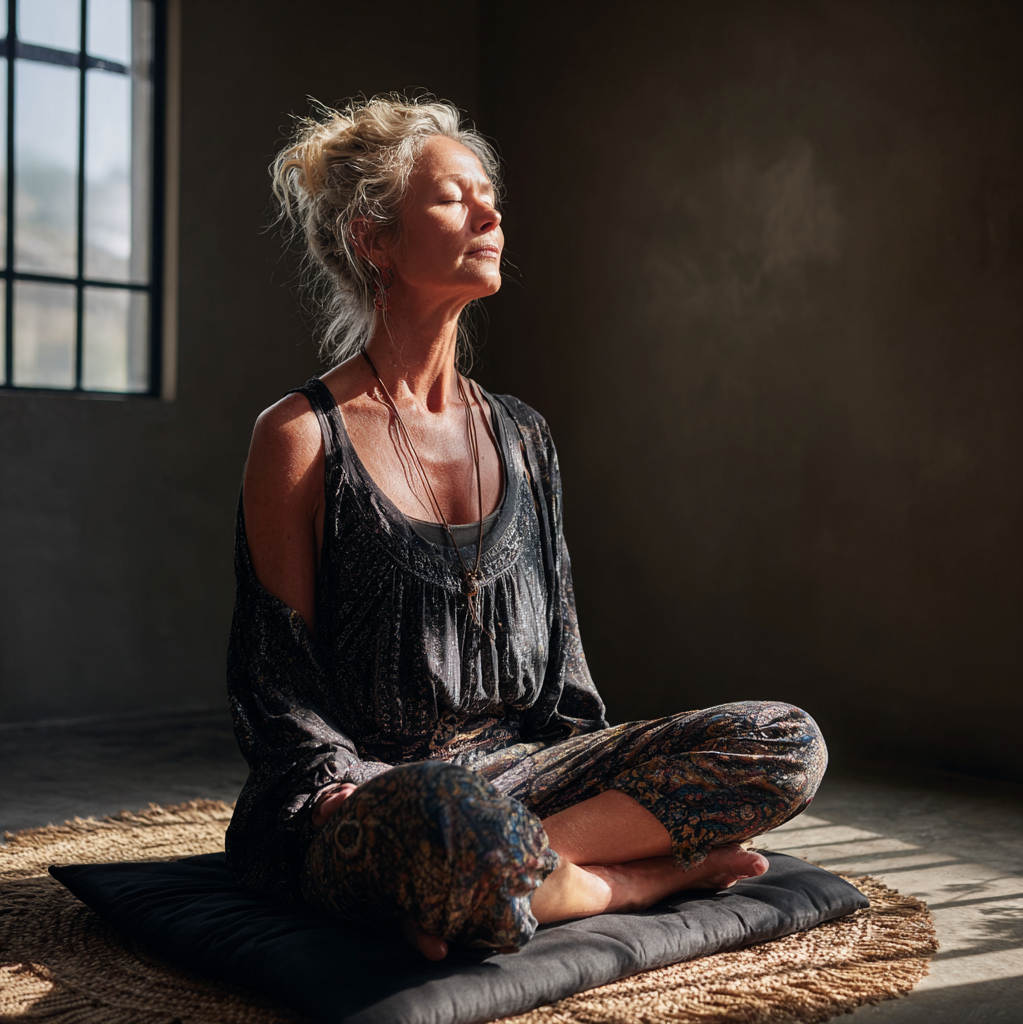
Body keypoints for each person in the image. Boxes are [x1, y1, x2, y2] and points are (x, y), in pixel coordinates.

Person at [225, 94, 826, 961]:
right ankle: (631, 880)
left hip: (525, 779)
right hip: (374, 798)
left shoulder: (524, 436)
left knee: (788, 739)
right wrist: (361, 811)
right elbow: (279, 702)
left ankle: (509, 877)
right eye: (452, 198)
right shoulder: (297, 437)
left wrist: (587, 778)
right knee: (442, 820)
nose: (490, 212)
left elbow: (565, 684)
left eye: (487, 192)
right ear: (373, 239)